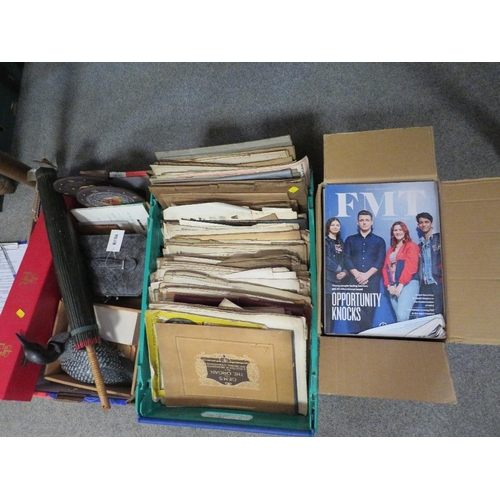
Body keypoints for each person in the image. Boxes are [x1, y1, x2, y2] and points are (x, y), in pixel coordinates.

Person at [343, 210, 386, 333]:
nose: (364, 223)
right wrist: (357, 275)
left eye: (367, 220)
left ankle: (363, 335)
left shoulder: (379, 241)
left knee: (369, 310)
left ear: (371, 222)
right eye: (361, 220)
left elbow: (380, 261)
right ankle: (369, 331)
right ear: (357, 222)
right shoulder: (350, 240)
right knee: (352, 307)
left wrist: (366, 275)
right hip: (353, 280)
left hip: (372, 281)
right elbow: (346, 258)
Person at [382, 221, 420, 322]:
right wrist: (389, 285)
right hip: (393, 286)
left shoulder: (411, 246)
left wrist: (400, 285)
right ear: (392, 233)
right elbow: (385, 268)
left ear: (405, 231)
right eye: (395, 230)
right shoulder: (391, 250)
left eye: (400, 229)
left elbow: (411, 267)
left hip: (408, 284)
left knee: (402, 316)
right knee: (400, 319)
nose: (398, 232)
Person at [416, 212, 444, 316]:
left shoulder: (440, 239)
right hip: (425, 286)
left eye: (426, 222)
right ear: (418, 225)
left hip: (437, 283)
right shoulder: (420, 245)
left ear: (432, 224)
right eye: (421, 222)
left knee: (439, 315)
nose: (424, 224)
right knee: (430, 317)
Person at [324, 217, 348, 333]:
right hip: (329, 281)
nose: (335, 227)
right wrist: (338, 269)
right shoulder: (325, 241)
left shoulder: (341, 242)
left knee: (335, 310)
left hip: (340, 281)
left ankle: (331, 332)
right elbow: (325, 259)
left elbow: (345, 259)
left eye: (337, 225)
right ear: (328, 226)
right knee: (328, 311)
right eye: (333, 225)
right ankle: (327, 333)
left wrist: (344, 272)